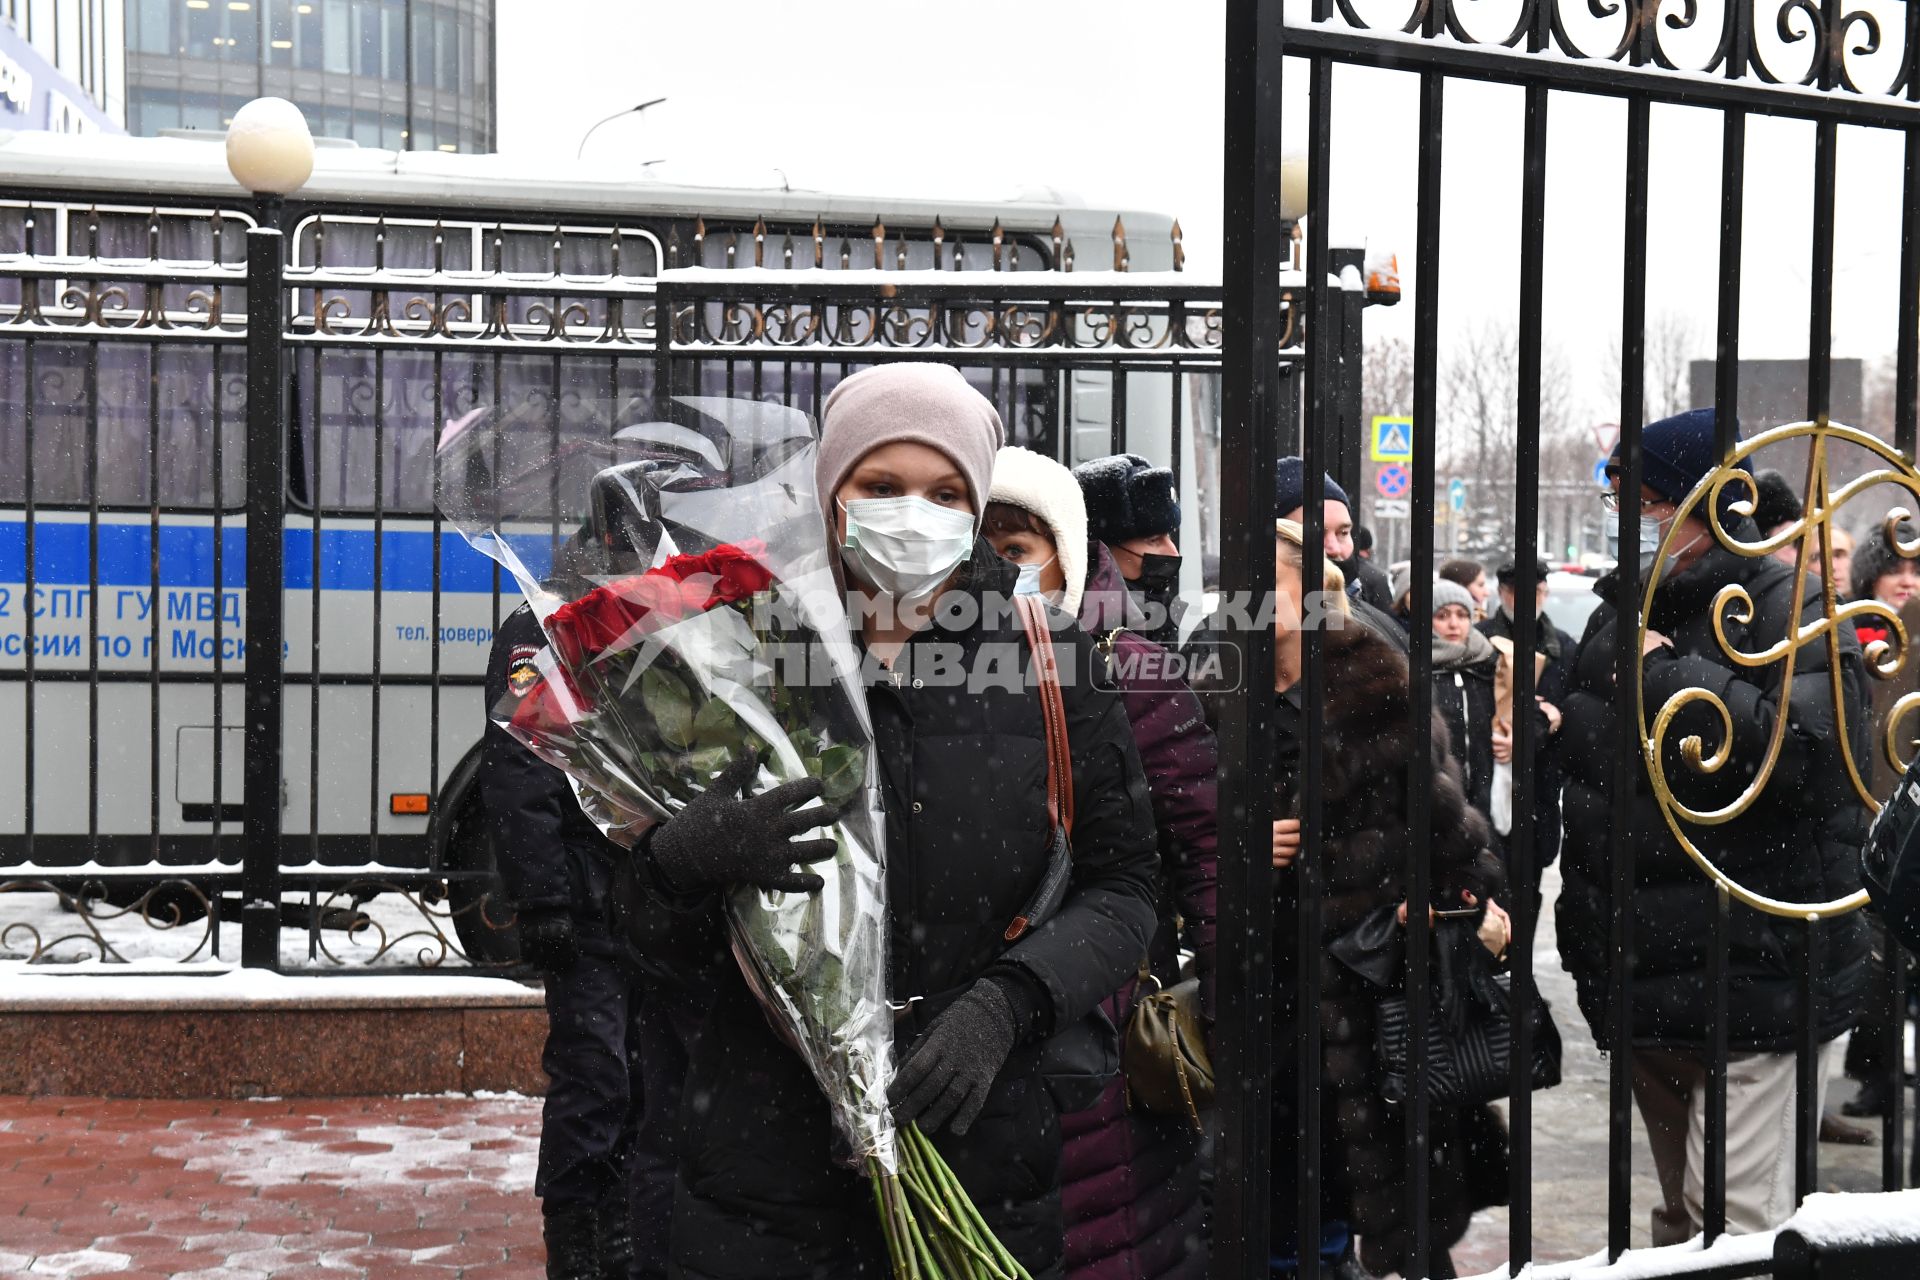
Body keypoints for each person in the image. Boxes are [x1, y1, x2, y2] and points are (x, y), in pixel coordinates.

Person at [636, 364, 1161, 1280]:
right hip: (763, 1166)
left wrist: (1011, 1003)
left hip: (976, 1149)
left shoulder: (1051, 657)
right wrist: (675, 869)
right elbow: (638, 942)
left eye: (946, 491)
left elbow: (1124, 887)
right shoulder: (738, 650)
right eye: (882, 486)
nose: (913, 512)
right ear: (833, 496)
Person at [1554, 407, 1870, 1245]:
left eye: (1646, 501)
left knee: (1736, 1228)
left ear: (1700, 504)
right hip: (1643, 974)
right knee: (1680, 1224)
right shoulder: (1612, 612)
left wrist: (1672, 674)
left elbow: (1811, 759)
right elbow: (1596, 771)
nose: (1628, 521)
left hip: (1756, 972)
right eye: (1617, 498)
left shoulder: (1789, 605)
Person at [984, 444, 1216, 1280]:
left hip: (1102, 1026)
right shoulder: (919, 663)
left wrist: (1225, 1000)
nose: (995, 567)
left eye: (1018, 550)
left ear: (1068, 554)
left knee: (1103, 1236)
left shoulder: (1130, 666)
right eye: (983, 543)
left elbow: (1204, 844)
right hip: (969, 1032)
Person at [1268, 519, 1507, 1280]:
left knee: (1396, 1195)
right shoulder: (1216, 682)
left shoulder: (1373, 677)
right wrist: (1246, 839)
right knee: (1277, 1187)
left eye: (1266, 581)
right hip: (1262, 972)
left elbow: (1450, 830)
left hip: (1371, 973)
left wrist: (1455, 905)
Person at [482, 605, 650, 1280]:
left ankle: (626, 1221)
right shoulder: (547, 619)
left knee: (649, 1073)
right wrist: (543, 897)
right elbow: (520, 761)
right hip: (586, 901)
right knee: (596, 1073)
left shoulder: (678, 599)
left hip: (662, 899)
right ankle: (577, 1231)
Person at [1839, 523, 1920, 1121]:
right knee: (1873, 954)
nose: (1910, 585)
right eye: (1901, 573)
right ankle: (1875, 1068)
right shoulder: (1845, 631)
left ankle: (1883, 1071)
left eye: (1918, 574)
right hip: (1859, 808)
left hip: (1906, 812)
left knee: (1893, 950)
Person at [1478, 557, 1574, 872]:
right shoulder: (1481, 641)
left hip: (1540, 784)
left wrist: (1553, 719)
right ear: (1502, 591)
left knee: (1528, 887)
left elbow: (1573, 706)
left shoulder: (1561, 645)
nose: (1530, 600)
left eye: (1538, 592)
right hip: (1489, 781)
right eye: (1519, 592)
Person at [1274, 456, 1406, 648]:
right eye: (1314, 533)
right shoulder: (1235, 628)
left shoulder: (1382, 630)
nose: (1334, 548)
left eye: (1343, 533)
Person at [1073, 451, 1185, 646]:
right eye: (1153, 540)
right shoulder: (1085, 628)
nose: (1173, 552)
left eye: (1169, 536)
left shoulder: (1155, 606)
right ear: (1102, 548)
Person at [1431, 577, 1501, 818]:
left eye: (1462, 615)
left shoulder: (1489, 665)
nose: (1454, 624)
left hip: (1488, 792)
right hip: (1438, 800)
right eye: (1442, 616)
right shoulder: (1415, 669)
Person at [1347, 522, 1398, 614]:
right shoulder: (1377, 576)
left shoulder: (1332, 570)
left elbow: (1318, 621)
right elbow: (1386, 615)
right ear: (1368, 549)